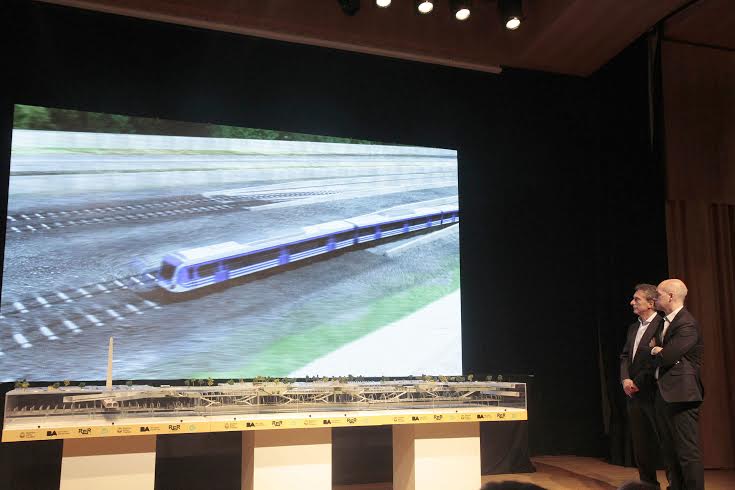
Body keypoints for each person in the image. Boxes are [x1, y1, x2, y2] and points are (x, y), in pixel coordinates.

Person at [651, 279, 704, 490]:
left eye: (659, 294)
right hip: (664, 393)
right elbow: (654, 352)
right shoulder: (664, 322)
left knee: (687, 452)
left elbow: (667, 356)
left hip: (682, 395)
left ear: (671, 296)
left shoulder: (687, 323)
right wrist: (657, 351)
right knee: (669, 450)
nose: (655, 298)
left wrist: (657, 350)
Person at [620, 284, 663, 487]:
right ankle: (648, 486)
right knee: (641, 445)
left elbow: (657, 359)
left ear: (651, 303)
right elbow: (625, 356)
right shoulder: (633, 327)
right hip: (633, 394)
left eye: (637, 299)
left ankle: (675, 484)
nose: (632, 302)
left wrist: (637, 382)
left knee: (664, 442)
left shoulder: (661, 325)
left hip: (654, 392)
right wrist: (625, 379)